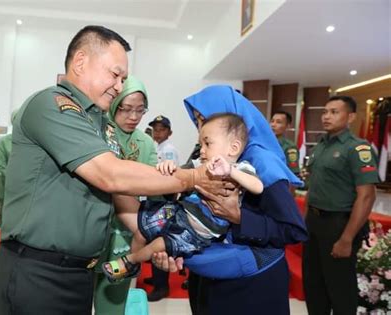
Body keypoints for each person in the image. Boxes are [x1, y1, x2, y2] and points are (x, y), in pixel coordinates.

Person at [0, 25, 223, 315]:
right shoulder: (52, 104)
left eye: (124, 78)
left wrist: (160, 242)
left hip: (78, 273)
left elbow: (119, 195)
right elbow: (109, 174)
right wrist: (195, 177)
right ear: (80, 62)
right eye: (115, 74)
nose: (119, 85)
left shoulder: (99, 124)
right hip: (37, 272)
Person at [152, 85, 308, 315]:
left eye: (204, 118)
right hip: (211, 274)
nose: (201, 127)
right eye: (197, 121)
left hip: (253, 286)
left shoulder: (263, 162)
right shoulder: (207, 155)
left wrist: (237, 216)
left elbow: (292, 230)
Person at [102, 113, 272, 282]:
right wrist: (168, 166)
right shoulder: (201, 164)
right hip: (178, 211)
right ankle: (133, 267)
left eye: (207, 143)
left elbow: (258, 187)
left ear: (233, 148)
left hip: (195, 231)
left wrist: (230, 171)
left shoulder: (241, 168)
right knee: (141, 230)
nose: (202, 150)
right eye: (201, 144)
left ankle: (130, 261)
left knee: (159, 244)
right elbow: (178, 175)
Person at [302, 95, 379, 315]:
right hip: (314, 223)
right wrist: (304, 222)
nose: (327, 116)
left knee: (340, 288)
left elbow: (366, 197)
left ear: (351, 116)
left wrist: (346, 239)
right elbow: (313, 188)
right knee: (314, 285)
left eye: (334, 112)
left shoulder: (357, 149)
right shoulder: (321, 145)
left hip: (339, 225)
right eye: (325, 112)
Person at [93, 75, 157, 315]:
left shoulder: (146, 143)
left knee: (113, 300)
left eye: (140, 111)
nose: (133, 117)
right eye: (126, 109)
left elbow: (151, 185)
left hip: (126, 231)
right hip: (91, 225)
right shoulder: (96, 132)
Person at [144, 114, 180, 301]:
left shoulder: (169, 150)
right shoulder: (156, 146)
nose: (158, 132)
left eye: (162, 129)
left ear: (170, 132)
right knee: (153, 239)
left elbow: (170, 178)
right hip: (155, 199)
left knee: (160, 243)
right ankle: (156, 277)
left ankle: (161, 286)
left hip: (163, 202)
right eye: (155, 129)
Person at [0, 108, 18, 226]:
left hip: (28, 192)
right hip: (7, 190)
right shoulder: (4, 141)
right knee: (7, 224)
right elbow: (0, 166)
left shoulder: (33, 141)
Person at [270, 110, 300, 175]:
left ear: (287, 126)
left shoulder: (289, 147)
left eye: (278, 122)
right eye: (272, 121)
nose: (273, 125)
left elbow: (293, 172)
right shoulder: (264, 142)